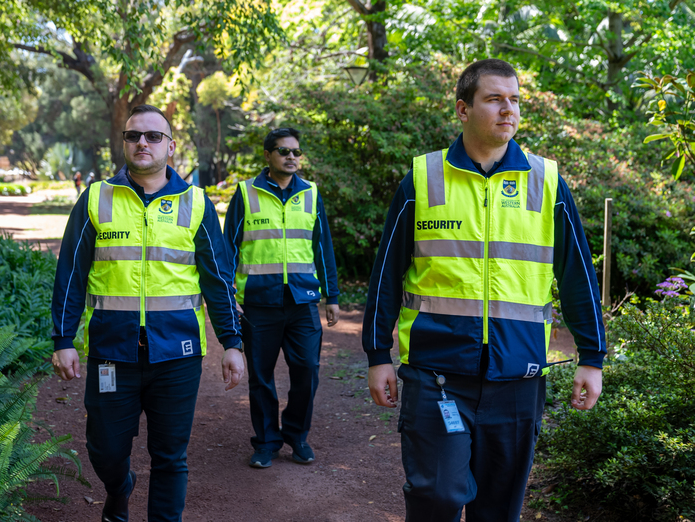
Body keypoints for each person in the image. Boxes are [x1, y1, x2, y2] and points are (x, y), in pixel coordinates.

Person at [361, 59, 606, 522]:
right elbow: (386, 274)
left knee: (499, 510)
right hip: (436, 375)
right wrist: (377, 355)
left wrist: (592, 358)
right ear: (463, 108)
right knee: (436, 496)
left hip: (518, 378)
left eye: (514, 99)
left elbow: (578, 278)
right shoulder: (422, 178)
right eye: (494, 99)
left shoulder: (546, 181)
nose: (507, 109)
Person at [51, 104, 244, 522]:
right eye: (133, 135)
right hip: (111, 350)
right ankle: (119, 488)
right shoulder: (96, 198)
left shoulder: (196, 203)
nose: (142, 142)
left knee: (170, 456)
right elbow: (71, 273)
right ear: (123, 142)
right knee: (104, 449)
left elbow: (218, 278)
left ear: (170, 146)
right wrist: (63, 339)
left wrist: (232, 342)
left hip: (177, 353)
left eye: (153, 136)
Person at [224, 127, 340, 469]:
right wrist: (228, 292)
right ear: (268, 155)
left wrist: (331, 295)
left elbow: (323, 248)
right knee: (261, 377)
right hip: (259, 303)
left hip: (302, 301)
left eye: (296, 152)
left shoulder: (311, 194)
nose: (291, 157)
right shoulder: (246, 193)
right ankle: (266, 442)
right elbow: (229, 246)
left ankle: (296, 434)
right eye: (283, 151)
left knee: (307, 370)